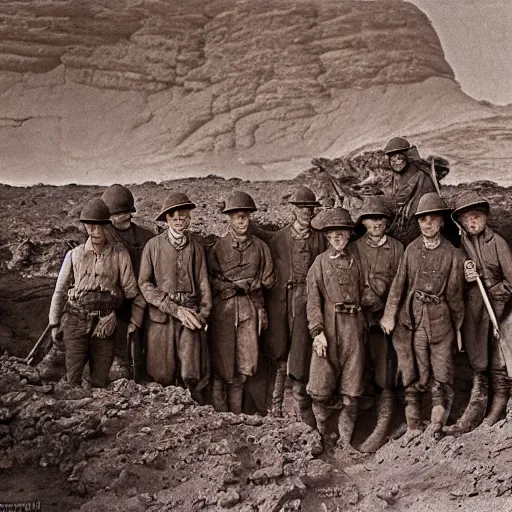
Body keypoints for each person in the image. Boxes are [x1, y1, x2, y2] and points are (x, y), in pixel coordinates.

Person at [380, 192, 464, 438]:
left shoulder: (452, 254)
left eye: (431, 219)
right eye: (422, 219)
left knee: (442, 372)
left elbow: (456, 295)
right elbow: (399, 284)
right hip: (413, 319)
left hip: (441, 320)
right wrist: (390, 315)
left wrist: (458, 328)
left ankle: (436, 425)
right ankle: (414, 426)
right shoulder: (412, 250)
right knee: (413, 371)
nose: (426, 224)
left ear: (441, 222)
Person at [47, 197, 144, 388]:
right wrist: (54, 323)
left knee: (99, 381)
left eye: (100, 226)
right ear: (85, 227)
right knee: (72, 378)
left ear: (109, 226)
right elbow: (60, 291)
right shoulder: (74, 255)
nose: (95, 231)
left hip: (104, 325)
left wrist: (128, 321)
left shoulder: (120, 254)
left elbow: (133, 293)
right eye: (90, 226)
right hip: (75, 321)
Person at [444, 191, 512, 435]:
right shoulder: (463, 245)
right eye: (466, 219)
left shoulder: (498, 243)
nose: (471, 223)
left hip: (499, 308)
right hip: (475, 307)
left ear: (485, 217)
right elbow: (458, 276)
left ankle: (499, 405)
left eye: (475, 217)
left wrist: (497, 295)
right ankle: (475, 408)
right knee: (477, 359)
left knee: (498, 359)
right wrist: (467, 275)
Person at [264, 186, 326, 426]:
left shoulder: (320, 238)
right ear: (293, 210)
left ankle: (304, 407)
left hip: (307, 298)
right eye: (301, 208)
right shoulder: (278, 238)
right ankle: (276, 406)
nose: (305, 213)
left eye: (309, 209)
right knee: (279, 349)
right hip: (283, 298)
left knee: (302, 349)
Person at [138, 192, 211, 395]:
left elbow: (204, 282)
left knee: (191, 372)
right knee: (162, 372)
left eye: (183, 215)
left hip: (190, 315)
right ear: (166, 219)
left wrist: (203, 315)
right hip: (161, 318)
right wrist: (170, 307)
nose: (178, 220)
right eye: (173, 216)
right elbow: (144, 284)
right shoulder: (152, 247)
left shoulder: (196, 248)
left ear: (189, 217)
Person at [208, 191, 274, 414]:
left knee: (246, 363)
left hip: (249, 309)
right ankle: (220, 415)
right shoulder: (218, 248)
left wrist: (260, 305)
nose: (241, 221)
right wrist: (230, 286)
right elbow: (209, 279)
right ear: (229, 218)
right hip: (223, 310)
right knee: (222, 363)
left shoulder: (261, 248)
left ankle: (237, 415)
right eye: (236, 216)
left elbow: (268, 279)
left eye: (244, 216)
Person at [306, 207, 365, 447]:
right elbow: (312, 300)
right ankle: (321, 435)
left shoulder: (358, 261)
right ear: (327, 237)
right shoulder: (319, 263)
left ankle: (346, 443)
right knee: (320, 387)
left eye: (341, 232)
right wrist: (317, 331)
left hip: (353, 329)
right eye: (332, 234)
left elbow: (370, 289)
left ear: (349, 234)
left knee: (352, 389)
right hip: (328, 328)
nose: (337, 237)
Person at [351, 196, 404, 452]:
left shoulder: (397, 249)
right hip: (359, 319)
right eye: (371, 219)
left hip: (386, 320)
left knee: (387, 373)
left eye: (381, 219)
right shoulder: (354, 248)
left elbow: (401, 284)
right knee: (358, 369)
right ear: (363, 222)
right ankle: (358, 425)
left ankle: (385, 425)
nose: (376, 223)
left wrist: (387, 310)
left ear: (387, 222)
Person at [102, 184, 154, 381]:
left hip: (142, 296)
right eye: (114, 215)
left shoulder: (146, 237)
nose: (117, 218)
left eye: (121, 214)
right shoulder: (103, 236)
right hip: (113, 298)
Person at [383, 137, 436, 246]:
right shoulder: (391, 180)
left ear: (407, 157)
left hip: (417, 229)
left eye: (400, 157)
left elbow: (428, 208)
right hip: (397, 230)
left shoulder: (422, 178)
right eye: (393, 158)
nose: (397, 162)